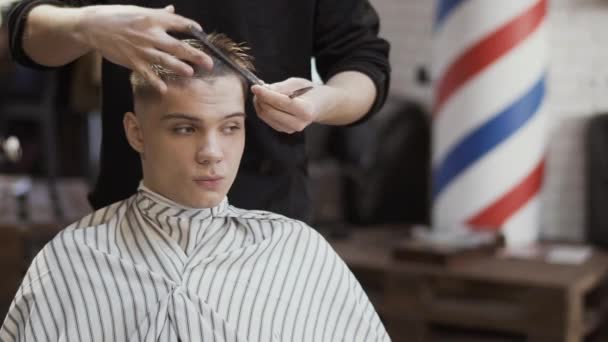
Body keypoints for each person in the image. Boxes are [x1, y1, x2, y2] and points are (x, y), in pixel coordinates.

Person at [0, 35, 390, 342]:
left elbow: (364, 54)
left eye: (230, 127)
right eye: (185, 129)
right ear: (136, 132)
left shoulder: (297, 252)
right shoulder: (74, 259)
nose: (212, 153)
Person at [6, 0, 391, 222]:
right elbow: (16, 22)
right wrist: (84, 26)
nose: (211, 153)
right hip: (130, 217)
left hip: (269, 218)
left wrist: (318, 103)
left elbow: (364, 60)